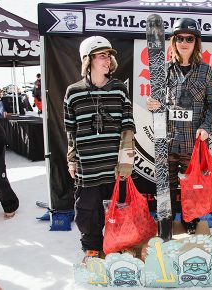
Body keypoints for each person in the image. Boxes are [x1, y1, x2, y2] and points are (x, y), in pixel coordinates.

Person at [64, 36, 136, 261]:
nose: (108, 60)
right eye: (102, 55)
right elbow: (71, 131)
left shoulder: (119, 90)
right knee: (88, 210)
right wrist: (71, 160)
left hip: (114, 166)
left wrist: (125, 162)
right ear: (88, 60)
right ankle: (92, 246)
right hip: (88, 165)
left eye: (109, 55)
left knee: (119, 209)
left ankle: (117, 243)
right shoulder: (73, 92)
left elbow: (127, 128)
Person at [146, 18, 212, 238]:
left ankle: (190, 220)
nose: (184, 42)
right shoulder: (164, 70)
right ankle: (166, 222)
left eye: (189, 38)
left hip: (191, 144)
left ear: (196, 42)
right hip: (168, 141)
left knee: (191, 189)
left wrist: (206, 126)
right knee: (166, 188)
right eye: (180, 38)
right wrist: (154, 106)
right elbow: (159, 106)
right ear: (174, 41)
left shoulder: (206, 71)